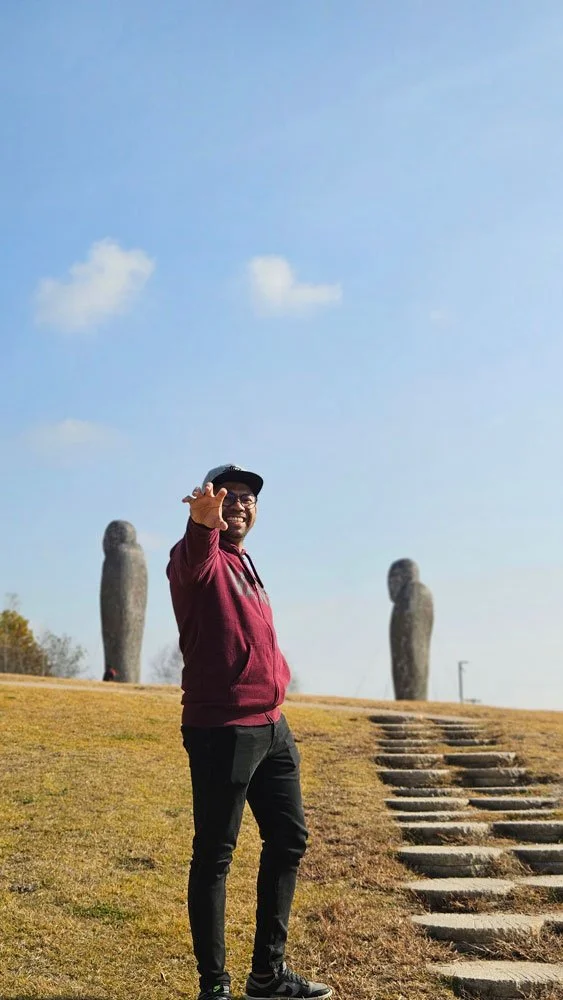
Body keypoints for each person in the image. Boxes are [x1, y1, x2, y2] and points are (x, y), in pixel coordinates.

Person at [167, 464, 331, 1000]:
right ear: (210, 503)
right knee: (215, 854)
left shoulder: (244, 561)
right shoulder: (198, 557)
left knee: (289, 838)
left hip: (271, 725)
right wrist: (201, 525)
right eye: (229, 496)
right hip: (223, 728)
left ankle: (267, 975)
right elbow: (195, 558)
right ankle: (214, 987)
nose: (241, 503)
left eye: (249, 498)